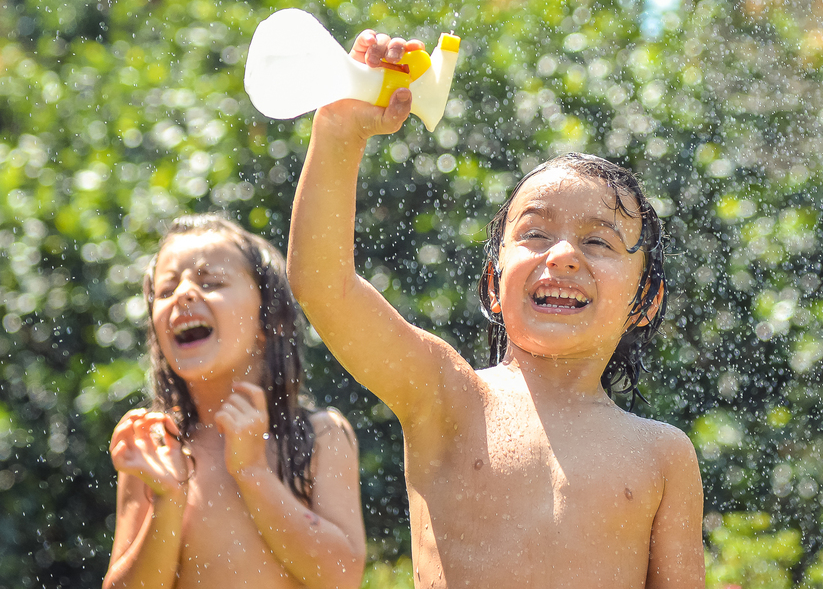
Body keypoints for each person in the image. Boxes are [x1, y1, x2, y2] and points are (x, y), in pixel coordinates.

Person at [287, 30, 705, 589]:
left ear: (644, 302)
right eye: (534, 233)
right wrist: (339, 132)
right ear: (493, 285)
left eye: (598, 242)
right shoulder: (448, 396)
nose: (562, 255)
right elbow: (322, 285)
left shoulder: (662, 456)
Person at [104, 214, 365, 589]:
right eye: (165, 291)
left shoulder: (319, 436)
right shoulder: (155, 447)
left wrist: (253, 473)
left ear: (267, 320)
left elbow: (342, 577)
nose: (184, 294)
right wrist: (167, 498)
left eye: (211, 282)